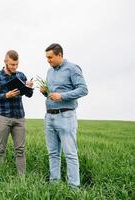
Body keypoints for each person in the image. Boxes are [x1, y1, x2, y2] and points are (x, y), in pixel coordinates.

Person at [40, 43, 88, 187]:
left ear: (59, 55)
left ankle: (74, 187)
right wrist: (45, 92)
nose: (48, 60)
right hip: (49, 117)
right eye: (47, 58)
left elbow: (83, 89)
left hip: (66, 116)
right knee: (53, 154)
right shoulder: (50, 71)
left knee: (70, 154)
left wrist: (62, 96)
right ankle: (55, 184)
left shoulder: (72, 68)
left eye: (50, 57)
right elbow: (52, 94)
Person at [0, 50, 33, 175]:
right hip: (3, 117)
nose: (15, 67)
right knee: (0, 149)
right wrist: (6, 95)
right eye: (12, 64)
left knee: (20, 150)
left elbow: (29, 95)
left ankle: (21, 179)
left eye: (16, 64)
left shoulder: (21, 75)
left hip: (19, 118)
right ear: (5, 62)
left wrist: (29, 87)